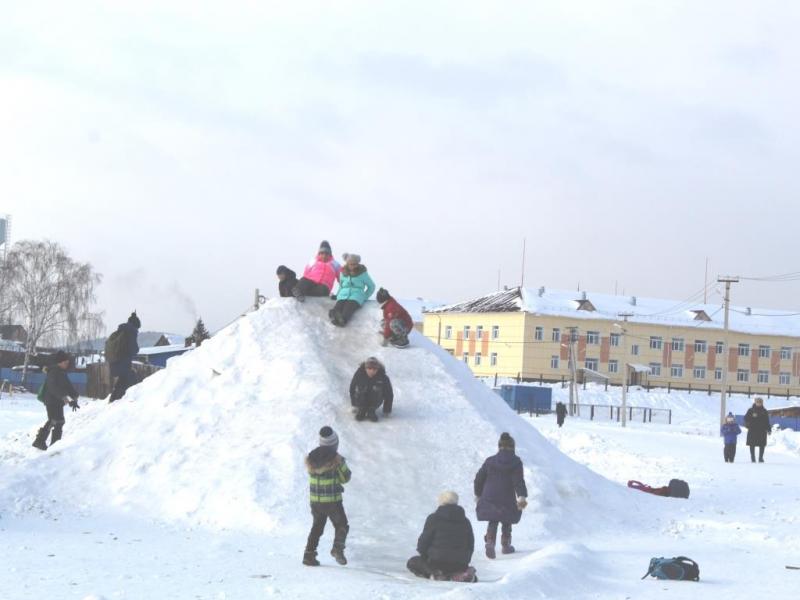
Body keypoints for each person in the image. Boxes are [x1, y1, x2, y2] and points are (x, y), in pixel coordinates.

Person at [474, 432, 528, 559]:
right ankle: (506, 544)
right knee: (507, 518)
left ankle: (490, 542)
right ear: (513, 447)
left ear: (499, 447)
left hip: (489, 496)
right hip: (507, 497)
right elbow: (518, 481)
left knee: (493, 519)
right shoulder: (516, 462)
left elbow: (479, 478)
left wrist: (478, 494)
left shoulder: (490, 461)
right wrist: (521, 496)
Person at [303, 426, 351, 567]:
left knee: (317, 526)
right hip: (332, 501)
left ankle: (308, 554)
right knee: (341, 524)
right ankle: (337, 549)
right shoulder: (337, 459)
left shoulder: (312, 457)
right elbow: (345, 478)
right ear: (334, 444)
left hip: (315, 501)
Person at [406, 491, 477, 583]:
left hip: (437, 562)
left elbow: (424, 542)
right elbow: (470, 544)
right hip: (460, 563)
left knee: (413, 562)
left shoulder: (433, 518)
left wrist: (424, 556)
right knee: (455, 566)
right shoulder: (465, 521)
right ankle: (461, 573)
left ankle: (437, 574)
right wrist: (464, 560)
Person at [32, 351, 80, 451]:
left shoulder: (62, 373)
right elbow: (53, 388)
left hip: (58, 402)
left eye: (67, 362)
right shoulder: (53, 372)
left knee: (60, 421)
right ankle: (39, 441)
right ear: (60, 362)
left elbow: (69, 387)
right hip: (51, 400)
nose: (67, 364)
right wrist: (66, 399)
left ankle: (55, 445)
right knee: (53, 420)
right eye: (65, 362)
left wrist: (74, 398)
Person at [329, 253, 375, 327]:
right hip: (343, 295)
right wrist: (338, 296)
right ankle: (334, 316)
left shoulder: (362, 273)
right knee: (339, 306)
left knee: (349, 307)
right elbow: (341, 286)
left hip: (356, 296)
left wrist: (364, 297)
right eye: (351, 264)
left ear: (357, 264)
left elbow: (371, 286)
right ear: (347, 263)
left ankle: (343, 320)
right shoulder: (342, 272)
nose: (353, 266)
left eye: (355, 264)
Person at [108, 311, 141, 402]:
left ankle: (113, 400)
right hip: (122, 363)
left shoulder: (120, 331)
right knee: (131, 378)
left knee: (123, 380)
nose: (138, 330)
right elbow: (133, 350)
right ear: (136, 325)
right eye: (138, 328)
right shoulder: (131, 332)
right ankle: (131, 401)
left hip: (114, 363)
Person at [349, 356, 393, 421]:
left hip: (375, 401)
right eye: (369, 368)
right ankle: (362, 409)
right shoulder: (359, 374)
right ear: (365, 368)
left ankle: (371, 410)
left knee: (377, 389)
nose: (372, 371)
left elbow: (389, 394)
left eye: (374, 369)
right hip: (360, 399)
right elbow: (352, 388)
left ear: (377, 369)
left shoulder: (383, 377)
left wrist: (387, 410)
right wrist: (354, 404)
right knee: (361, 390)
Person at [744, 397, 771, 463]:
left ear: (762, 403)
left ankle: (760, 458)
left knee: (762, 444)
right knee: (752, 444)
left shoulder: (764, 411)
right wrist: (748, 424)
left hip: (762, 430)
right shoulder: (750, 410)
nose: (759, 403)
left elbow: (767, 421)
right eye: (757, 402)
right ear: (755, 402)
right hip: (752, 430)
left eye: (760, 402)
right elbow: (745, 418)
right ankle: (753, 458)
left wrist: (769, 429)